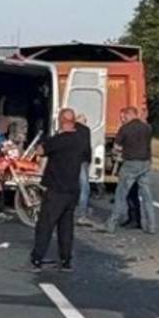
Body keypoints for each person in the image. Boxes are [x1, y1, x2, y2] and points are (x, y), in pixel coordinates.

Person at [30, 108, 90, 271]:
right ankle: (66, 260)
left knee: (46, 225)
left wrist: (49, 138)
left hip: (56, 188)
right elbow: (86, 156)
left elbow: (41, 151)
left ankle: (37, 257)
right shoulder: (80, 140)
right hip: (72, 189)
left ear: (61, 121)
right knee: (66, 227)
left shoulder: (58, 139)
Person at [105, 106, 156, 235]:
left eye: (122, 117)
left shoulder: (125, 129)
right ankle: (151, 225)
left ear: (127, 115)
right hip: (145, 163)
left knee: (121, 194)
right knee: (147, 196)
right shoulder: (147, 127)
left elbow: (116, 147)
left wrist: (120, 152)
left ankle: (111, 224)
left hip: (130, 163)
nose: (122, 119)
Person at [74, 113, 93, 226]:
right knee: (84, 187)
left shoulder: (71, 128)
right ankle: (81, 214)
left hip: (70, 161)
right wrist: (88, 160)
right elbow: (87, 147)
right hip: (82, 161)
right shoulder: (85, 130)